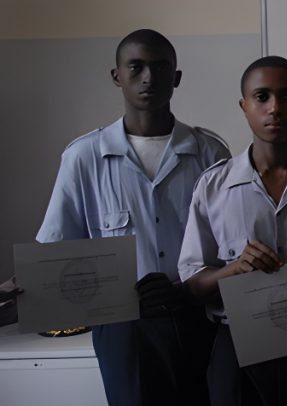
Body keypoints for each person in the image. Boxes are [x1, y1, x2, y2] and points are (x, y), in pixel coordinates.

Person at [35, 29, 229, 406]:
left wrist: (186, 288)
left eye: (160, 67)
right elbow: (57, 255)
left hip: (197, 317)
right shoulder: (84, 157)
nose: (149, 77)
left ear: (176, 77)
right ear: (116, 76)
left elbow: (230, 244)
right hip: (123, 328)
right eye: (136, 67)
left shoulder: (210, 152)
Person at [177, 56, 287, 406]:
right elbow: (193, 282)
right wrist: (232, 270)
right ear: (244, 106)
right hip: (240, 350)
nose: (275, 108)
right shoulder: (213, 187)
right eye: (262, 97)